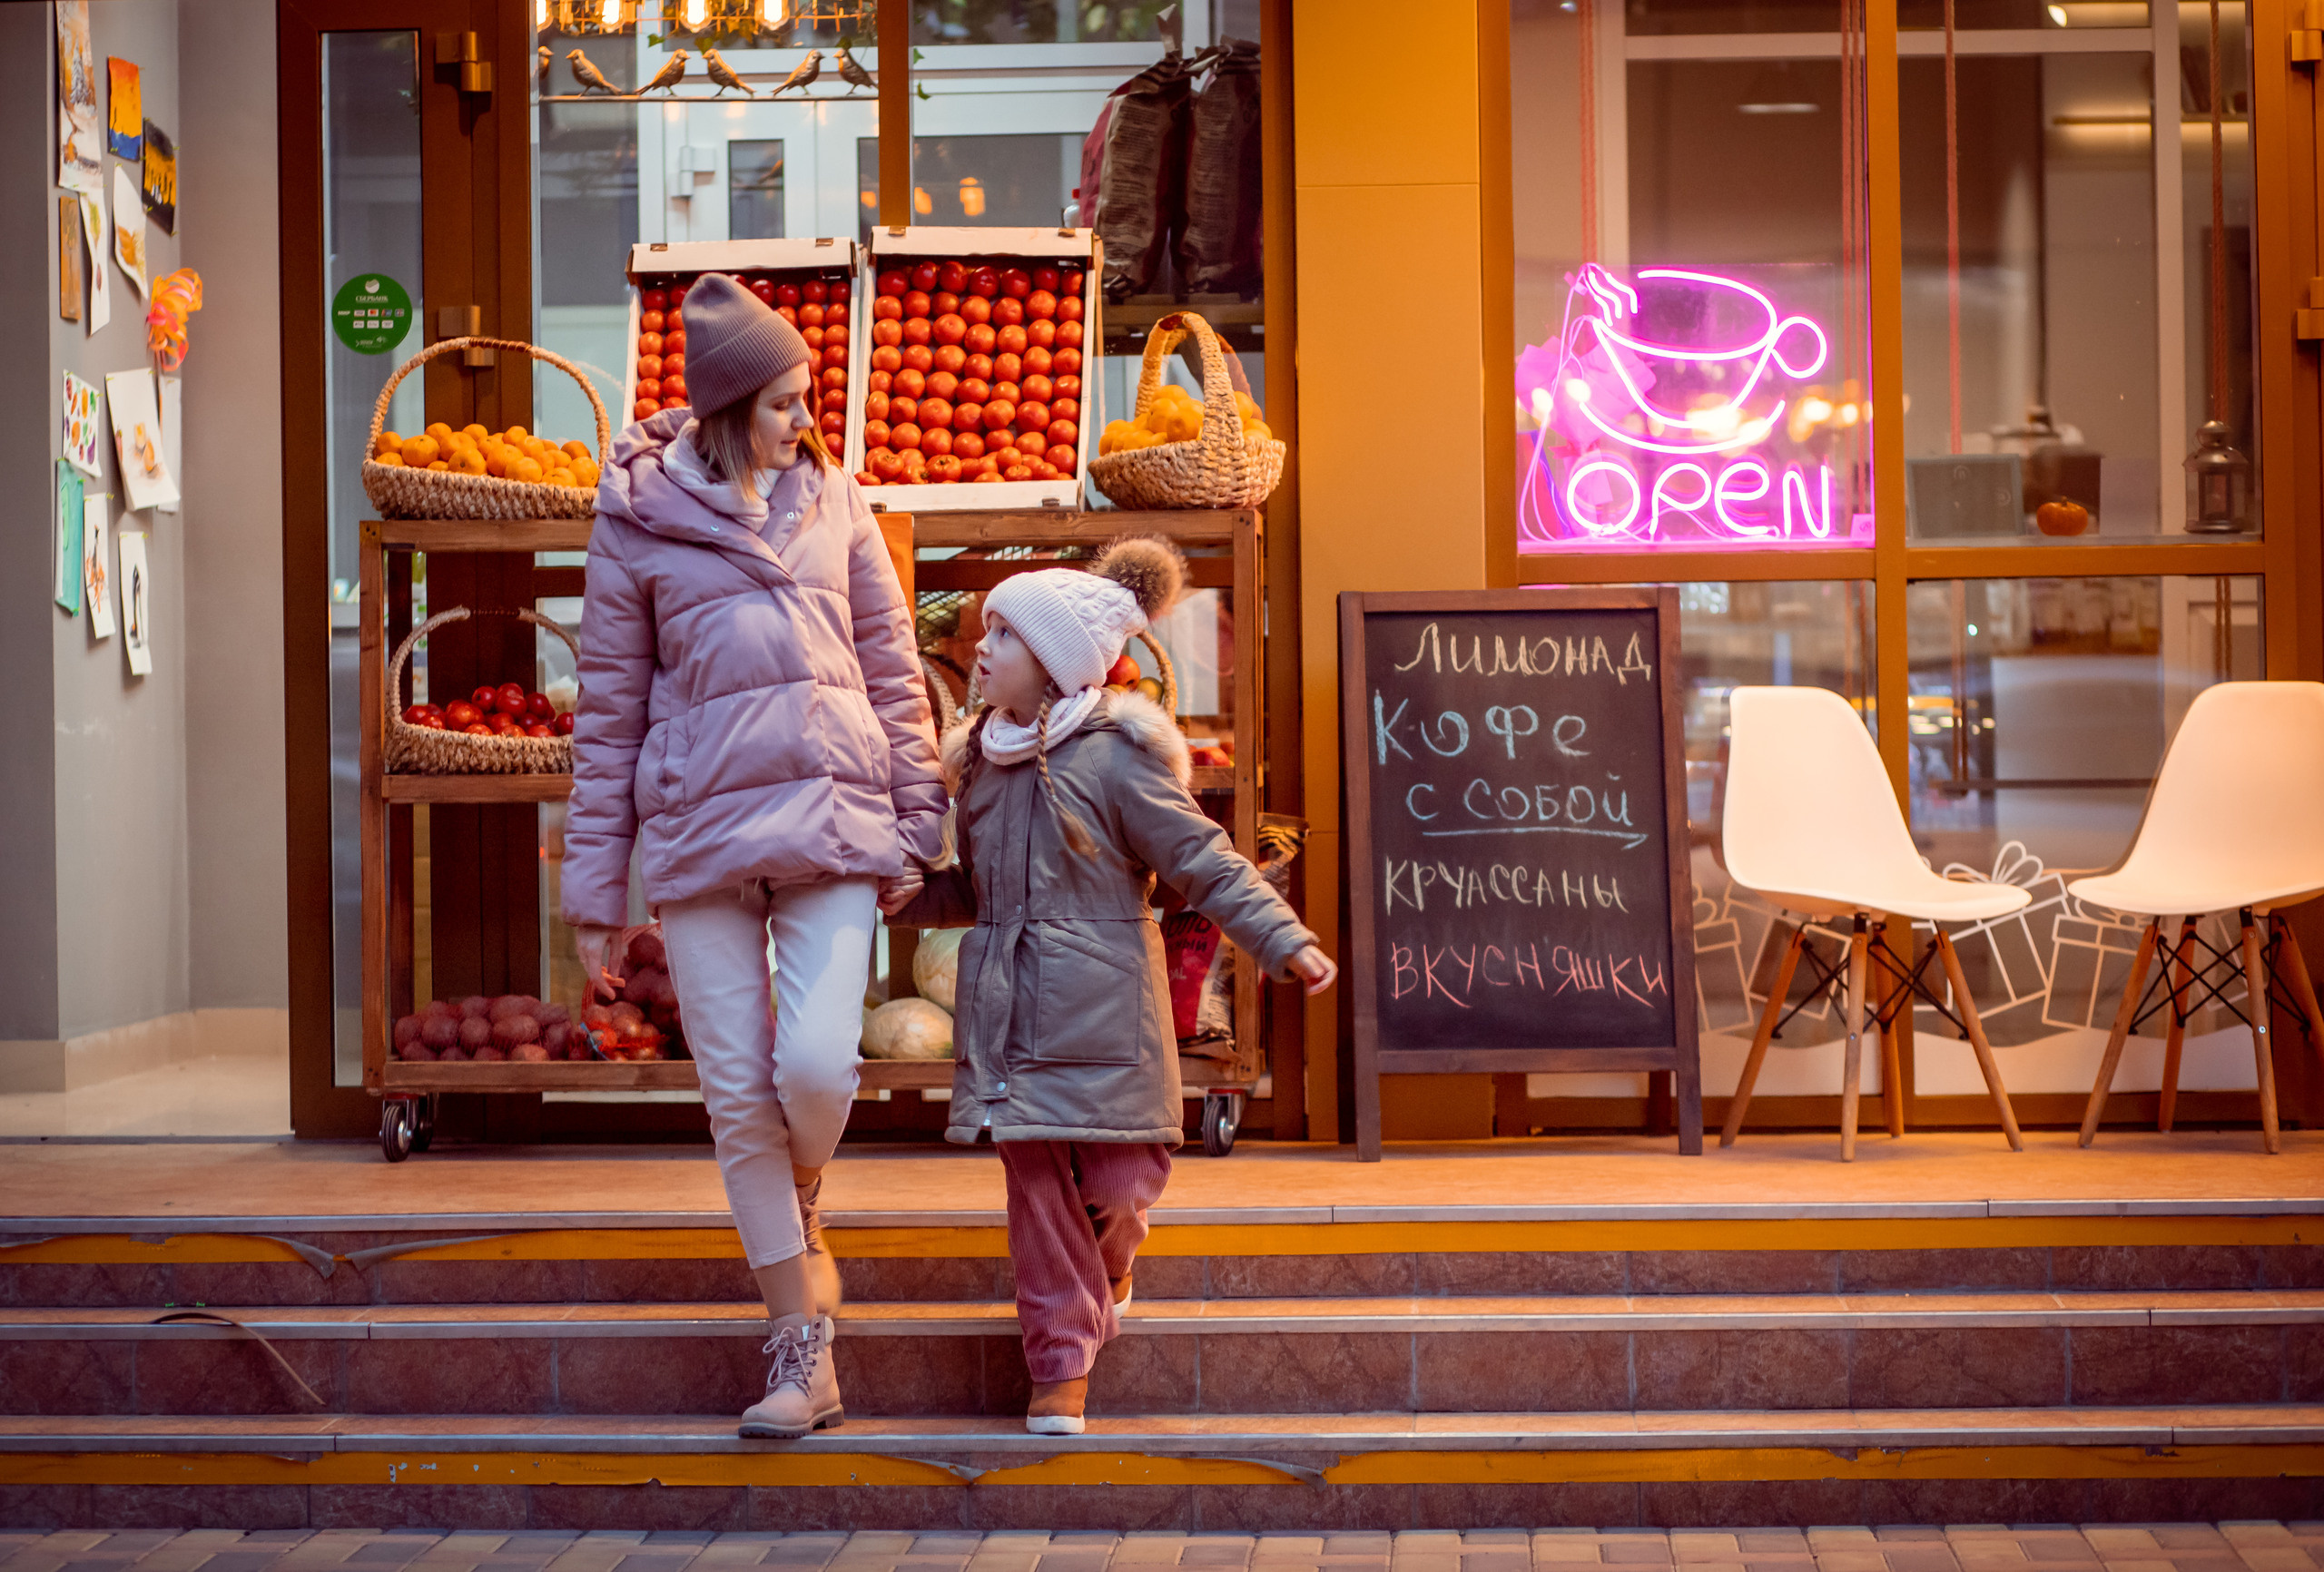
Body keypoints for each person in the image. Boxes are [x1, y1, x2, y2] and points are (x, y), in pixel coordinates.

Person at [562, 271, 944, 1441]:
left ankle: (802, 1195)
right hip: (700, 831)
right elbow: (607, 713)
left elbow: (891, 666)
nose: (804, 420)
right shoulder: (634, 521)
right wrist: (595, 891)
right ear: (729, 410)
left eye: (807, 396)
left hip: (830, 818)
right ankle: (800, 1348)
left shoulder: (837, 500)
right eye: (784, 402)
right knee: (736, 1094)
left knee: (818, 1069)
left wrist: (918, 819)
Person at [883, 537, 1336, 1435]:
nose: (980, 649)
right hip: (1009, 1014)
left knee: (1125, 1182)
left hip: (1109, 1011)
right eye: (985, 633)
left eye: (1003, 636)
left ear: (1055, 663)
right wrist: (911, 897)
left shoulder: (1120, 761)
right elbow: (978, 890)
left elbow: (1204, 862)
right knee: (1038, 1191)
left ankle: (1111, 1265)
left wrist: (1283, 938)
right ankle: (1060, 1360)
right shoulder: (977, 766)